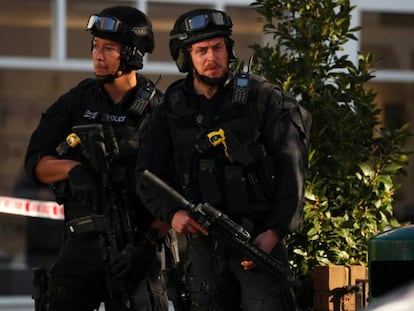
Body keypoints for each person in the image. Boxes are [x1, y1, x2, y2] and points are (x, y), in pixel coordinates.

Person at [136, 8, 310, 311]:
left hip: (257, 243)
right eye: (201, 50)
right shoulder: (172, 107)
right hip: (204, 248)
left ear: (228, 50)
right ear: (185, 57)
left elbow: (292, 167)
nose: (211, 57)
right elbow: (147, 173)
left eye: (217, 47)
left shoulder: (261, 97)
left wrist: (275, 231)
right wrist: (173, 214)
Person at [25, 6, 170, 311]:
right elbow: (36, 162)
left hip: (137, 246)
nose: (98, 55)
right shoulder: (77, 100)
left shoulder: (160, 109)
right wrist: (73, 169)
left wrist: (148, 244)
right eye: (95, 46)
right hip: (83, 243)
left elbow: (179, 183)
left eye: (109, 48)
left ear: (131, 54)